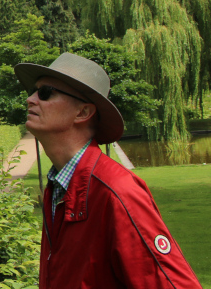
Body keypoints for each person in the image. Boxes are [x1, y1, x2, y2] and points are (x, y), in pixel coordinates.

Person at [15, 52, 201, 289]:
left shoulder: (117, 192)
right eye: (32, 91)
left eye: (45, 93)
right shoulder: (59, 187)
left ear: (83, 113)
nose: (31, 99)